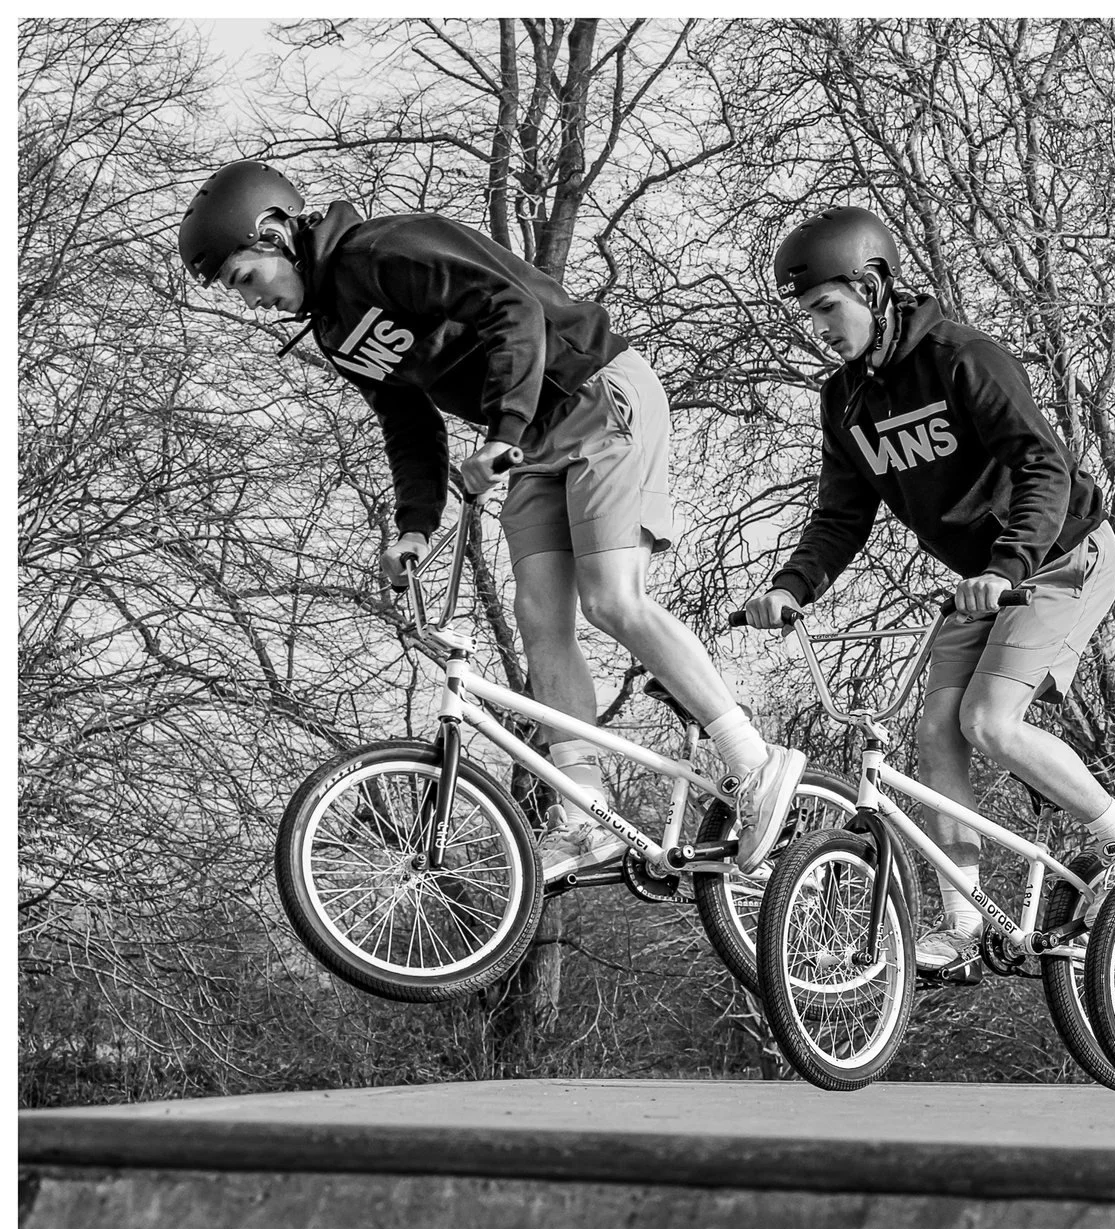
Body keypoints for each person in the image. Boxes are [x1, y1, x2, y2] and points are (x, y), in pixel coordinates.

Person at [177, 160, 806, 878]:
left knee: (610, 597)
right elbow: (406, 421)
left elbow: (513, 308)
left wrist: (502, 431)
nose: (254, 302)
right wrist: (415, 524)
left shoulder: (386, 251)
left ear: (276, 234)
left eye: (247, 281)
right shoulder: (333, 328)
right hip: (529, 439)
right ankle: (583, 818)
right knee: (539, 616)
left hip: (592, 393)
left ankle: (753, 759)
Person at [744, 206, 1115, 972]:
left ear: (871, 286)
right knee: (935, 734)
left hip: (1061, 554)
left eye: (827, 309)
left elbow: (1045, 470)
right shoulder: (845, 401)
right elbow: (841, 514)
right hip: (983, 581)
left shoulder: (965, 357)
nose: (820, 330)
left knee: (991, 721)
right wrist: (792, 586)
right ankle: (962, 924)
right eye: (808, 318)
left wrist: (1005, 567)